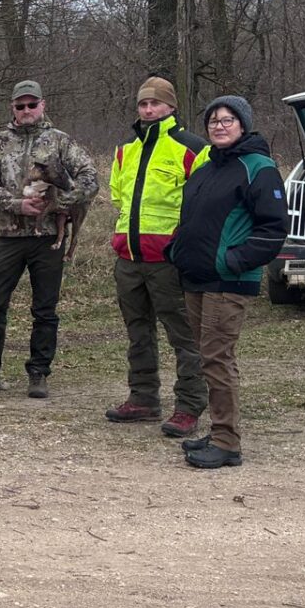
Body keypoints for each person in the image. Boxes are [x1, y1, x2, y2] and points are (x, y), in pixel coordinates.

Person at [0, 81, 98, 398]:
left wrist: (57, 204)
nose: (26, 111)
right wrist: (18, 205)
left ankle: (39, 373)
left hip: (49, 238)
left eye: (32, 104)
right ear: (12, 109)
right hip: (9, 237)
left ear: (42, 105)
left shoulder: (60, 142)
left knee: (45, 309)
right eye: (20, 106)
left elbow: (90, 177)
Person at [169, 96, 287, 469]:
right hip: (195, 278)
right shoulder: (206, 169)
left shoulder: (258, 168)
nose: (219, 126)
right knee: (207, 358)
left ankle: (227, 442)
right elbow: (191, 218)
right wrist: (176, 249)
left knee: (218, 358)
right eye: (213, 120)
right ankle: (220, 429)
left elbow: (274, 228)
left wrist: (233, 260)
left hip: (227, 280)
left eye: (228, 119)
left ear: (243, 125)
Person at [105, 76, 210, 438]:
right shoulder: (125, 151)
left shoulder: (193, 149)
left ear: (171, 107)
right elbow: (118, 197)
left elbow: (202, 204)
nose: (148, 110)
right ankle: (143, 397)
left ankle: (190, 405)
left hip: (169, 261)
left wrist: (182, 247)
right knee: (138, 332)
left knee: (184, 334)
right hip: (129, 258)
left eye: (155, 103)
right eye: (143, 104)